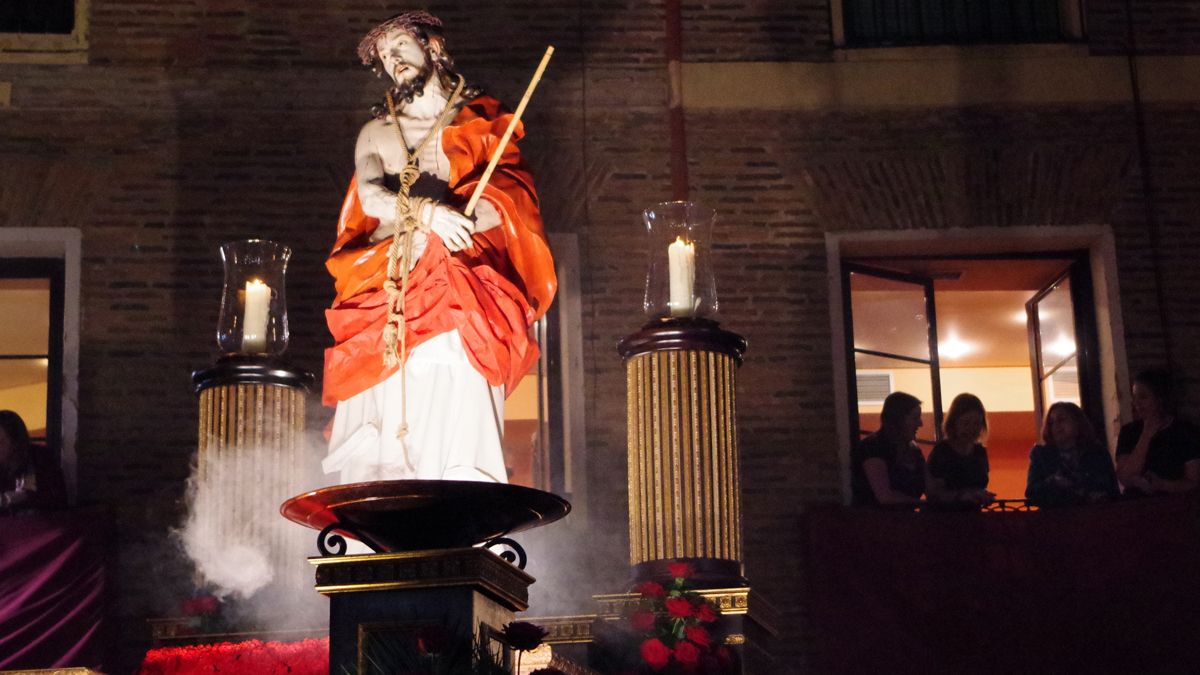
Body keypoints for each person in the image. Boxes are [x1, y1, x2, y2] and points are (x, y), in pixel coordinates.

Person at [321, 11, 556, 485]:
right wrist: (430, 215)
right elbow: (370, 197)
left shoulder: (484, 122)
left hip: (462, 284)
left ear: (431, 46)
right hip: (390, 284)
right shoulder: (378, 132)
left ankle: (461, 506)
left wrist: (471, 216)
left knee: (459, 382)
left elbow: (512, 196)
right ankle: (386, 509)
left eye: (400, 46)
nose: (393, 61)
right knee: (389, 399)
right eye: (385, 56)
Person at [1115, 368, 1200, 495]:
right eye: (1134, 397)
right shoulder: (1129, 432)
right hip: (1136, 505)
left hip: (1175, 504)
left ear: (1160, 398)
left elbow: (1194, 481)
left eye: (1143, 397)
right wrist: (1146, 434)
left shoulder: (1184, 431)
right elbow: (1125, 477)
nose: (1136, 403)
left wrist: (1162, 485)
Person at [1024, 401, 1118, 506]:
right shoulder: (1041, 455)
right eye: (1051, 422)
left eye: (1061, 419)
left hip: (1094, 515)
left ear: (1077, 422)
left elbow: (1111, 490)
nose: (1056, 426)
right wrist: (1054, 481)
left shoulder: (1097, 453)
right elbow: (1032, 493)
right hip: (1056, 517)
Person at [851, 391, 926, 506]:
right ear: (897, 420)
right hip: (875, 520)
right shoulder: (872, 447)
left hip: (905, 521)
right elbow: (885, 497)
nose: (921, 423)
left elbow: (929, 485)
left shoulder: (914, 450)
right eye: (915, 418)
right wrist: (924, 504)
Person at [926, 393, 994, 506]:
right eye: (966, 423)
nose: (972, 429)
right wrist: (962, 496)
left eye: (977, 423)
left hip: (973, 517)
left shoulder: (980, 452)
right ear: (954, 423)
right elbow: (933, 493)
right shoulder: (942, 452)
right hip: (943, 518)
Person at [0, 411, 44, 515]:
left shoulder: (37, 459)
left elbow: (30, 494)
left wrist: (6, 499)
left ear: (16, 443)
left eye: (0, 442)